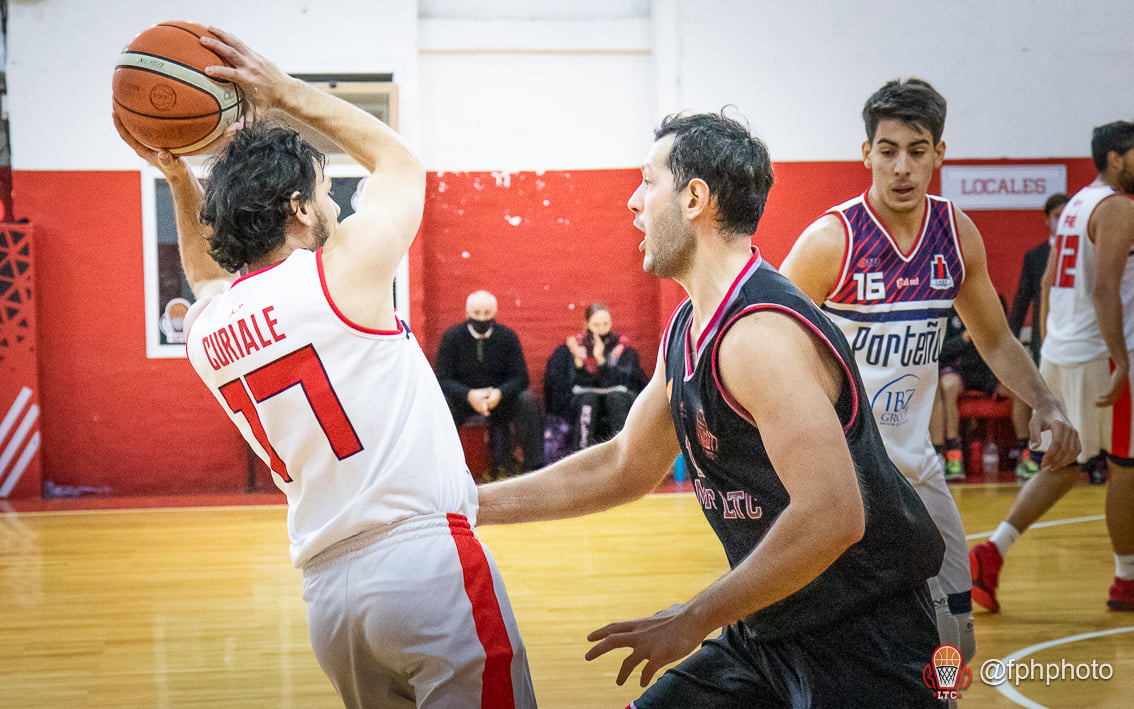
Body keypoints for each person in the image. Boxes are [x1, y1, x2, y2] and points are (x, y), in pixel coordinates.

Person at [113, 27, 535, 709]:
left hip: (330, 601)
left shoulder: (208, 330)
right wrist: (282, 93)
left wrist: (176, 177)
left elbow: (202, 272)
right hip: (424, 565)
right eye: (327, 193)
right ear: (301, 211)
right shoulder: (342, 274)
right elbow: (399, 163)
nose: (338, 206)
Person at [480, 111, 947, 707]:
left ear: (695, 198)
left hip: (865, 637)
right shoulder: (690, 326)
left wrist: (692, 618)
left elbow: (833, 516)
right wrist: (466, 506)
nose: (633, 201)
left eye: (648, 182)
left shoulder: (758, 337)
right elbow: (623, 465)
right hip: (765, 628)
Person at [779, 78, 1080, 664]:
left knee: (954, 643)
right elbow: (765, 345)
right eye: (887, 150)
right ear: (866, 153)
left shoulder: (955, 234)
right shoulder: (829, 240)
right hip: (840, 475)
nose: (901, 168)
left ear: (939, 154)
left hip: (917, 469)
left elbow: (994, 338)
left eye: (917, 151)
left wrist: (1045, 401)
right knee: (844, 652)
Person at [970, 120, 1134, 614]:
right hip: (1099, 356)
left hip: (1064, 351)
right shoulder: (1119, 208)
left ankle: (990, 552)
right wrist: (1122, 360)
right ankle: (1127, 582)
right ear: (1115, 158)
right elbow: (1106, 291)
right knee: (1126, 468)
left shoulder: (1078, 204)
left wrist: (1046, 348)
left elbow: (1044, 287)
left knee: (1066, 466)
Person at [434, 291, 545, 478]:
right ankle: (443, 472)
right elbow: (442, 379)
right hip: (463, 399)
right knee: (441, 405)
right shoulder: (452, 338)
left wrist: (500, 393)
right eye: (477, 313)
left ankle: (534, 469)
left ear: (495, 313)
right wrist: (469, 395)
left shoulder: (507, 337)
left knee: (527, 401)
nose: (482, 318)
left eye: (487, 314)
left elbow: (521, 377)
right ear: (466, 314)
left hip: (499, 398)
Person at [1006, 193, 1070, 479]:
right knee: (1038, 395)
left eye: (1067, 214)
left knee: (1073, 396)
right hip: (1043, 342)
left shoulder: (1086, 253)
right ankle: (1034, 453)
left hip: (1076, 339)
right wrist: (1008, 341)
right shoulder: (1036, 256)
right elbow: (1021, 302)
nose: (1062, 220)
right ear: (1047, 219)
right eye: (1057, 215)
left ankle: (1089, 460)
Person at [543, 303, 649, 451]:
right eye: (596, 325)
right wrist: (579, 365)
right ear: (587, 325)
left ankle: (624, 452)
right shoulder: (575, 348)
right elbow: (571, 386)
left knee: (615, 398)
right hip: (585, 406)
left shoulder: (622, 348)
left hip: (616, 402)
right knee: (589, 398)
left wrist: (601, 361)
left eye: (606, 324)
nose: (601, 329)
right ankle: (581, 453)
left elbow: (623, 381)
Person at [930, 309, 1001, 481]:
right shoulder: (943, 308)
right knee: (944, 386)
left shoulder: (988, 305)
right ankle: (945, 455)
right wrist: (964, 338)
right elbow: (938, 350)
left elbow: (999, 344)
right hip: (951, 369)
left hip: (982, 372)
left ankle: (1028, 452)